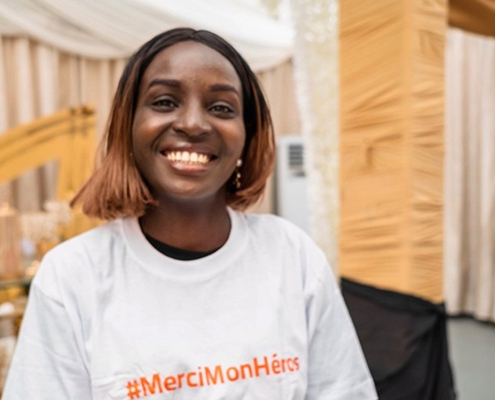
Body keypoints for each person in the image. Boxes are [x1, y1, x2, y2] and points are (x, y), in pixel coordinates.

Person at [3, 28, 377, 400]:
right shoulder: (72, 275)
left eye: (221, 107)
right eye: (164, 102)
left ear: (248, 134)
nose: (194, 124)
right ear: (128, 127)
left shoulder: (292, 255)